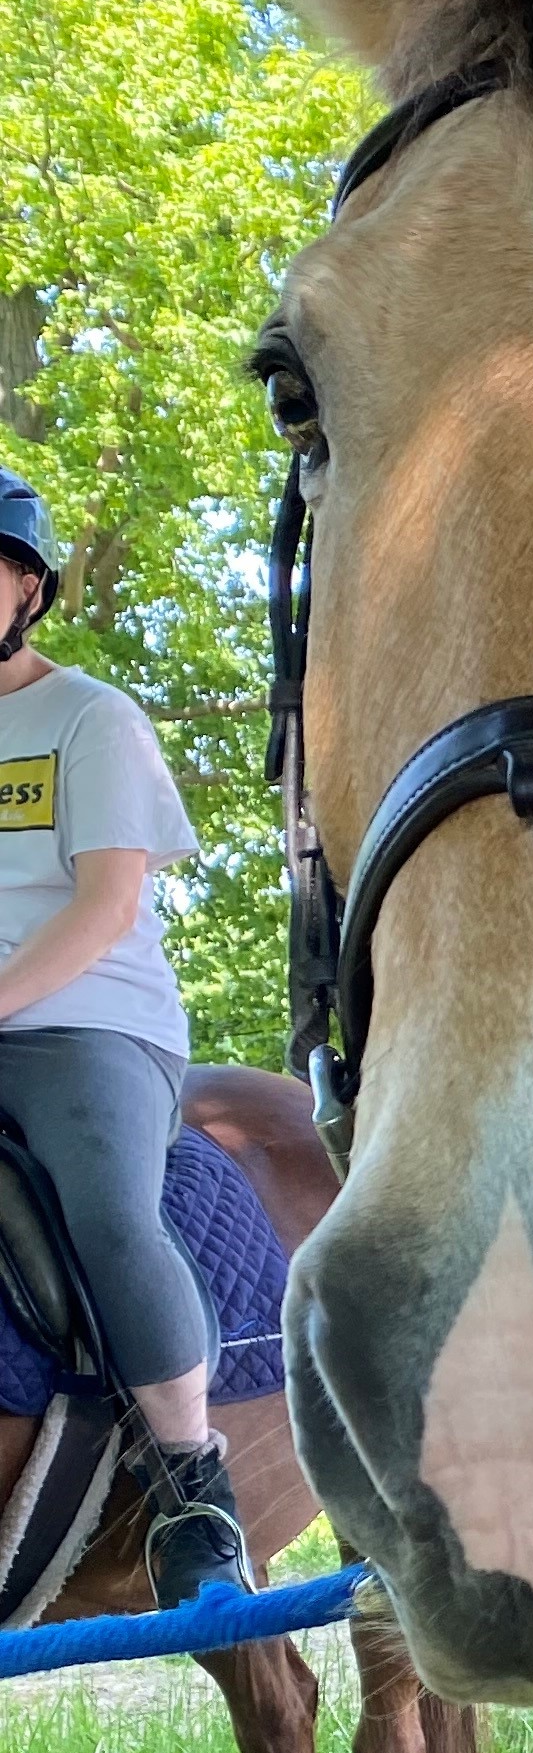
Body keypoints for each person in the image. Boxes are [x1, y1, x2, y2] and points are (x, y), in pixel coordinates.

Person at [0, 472, 248, 1609]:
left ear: (28, 589)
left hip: (86, 1020)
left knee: (104, 1209)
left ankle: (194, 1481)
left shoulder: (91, 719)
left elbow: (103, 906)